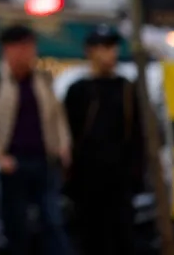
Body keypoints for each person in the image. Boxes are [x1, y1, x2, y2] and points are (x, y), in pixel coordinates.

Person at [0, 24, 72, 255]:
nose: (27, 53)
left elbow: (56, 115)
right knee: (16, 224)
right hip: (13, 163)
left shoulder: (42, 79)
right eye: (21, 47)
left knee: (52, 221)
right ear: (8, 50)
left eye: (30, 47)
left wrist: (63, 145)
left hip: (44, 160)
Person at [62, 24, 143, 255]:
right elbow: (68, 134)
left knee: (121, 239)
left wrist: (135, 176)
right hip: (87, 182)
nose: (111, 53)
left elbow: (137, 135)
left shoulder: (127, 90)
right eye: (104, 47)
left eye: (113, 47)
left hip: (119, 181)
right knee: (90, 239)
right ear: (90, 51)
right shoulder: (78, 90)